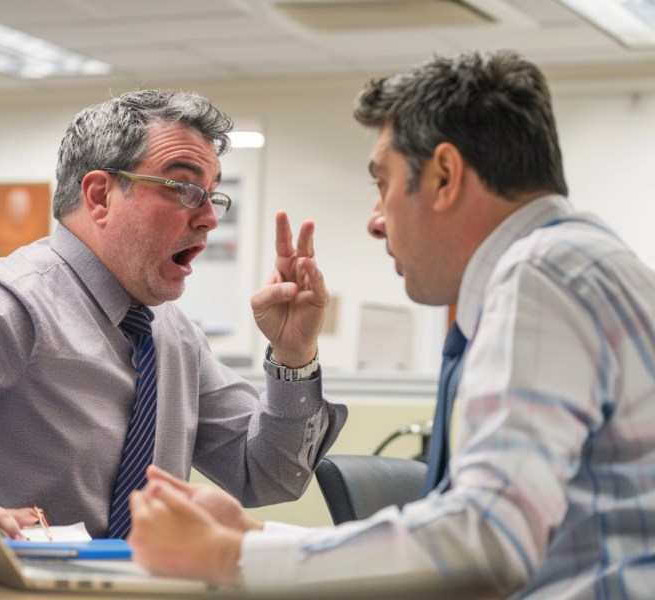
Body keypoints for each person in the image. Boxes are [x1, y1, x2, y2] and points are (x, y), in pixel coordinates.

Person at [126, 51, 655, 598]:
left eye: (383, 183)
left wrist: (230, 556)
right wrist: (255, 538)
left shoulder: (538, 276)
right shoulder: (589, 264)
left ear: (445, 176)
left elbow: (487, 539)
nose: (375, 221)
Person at [0, 89, 347, 539]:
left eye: (213, 196)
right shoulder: (12, 304)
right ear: (100, 196)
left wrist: (295, 356)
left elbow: (267, 474)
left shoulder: (173, 335)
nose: (210, 218)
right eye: (186, 189)